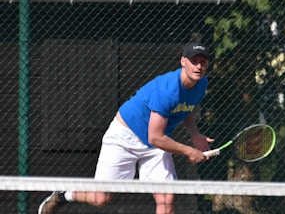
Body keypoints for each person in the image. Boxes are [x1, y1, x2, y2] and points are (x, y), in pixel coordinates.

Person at [38, 41, 214, 214]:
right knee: (101, 198)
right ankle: (63, 195)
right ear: (183, 61)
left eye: (203, 62)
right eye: (194, 61)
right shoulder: (167, 89)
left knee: (166, 199)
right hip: (126, 136)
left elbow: (185, 107)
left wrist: (194, 133)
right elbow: (155, 137)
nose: (198, 66)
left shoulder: (201, 84)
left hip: (156, 145)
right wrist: (189, 151)